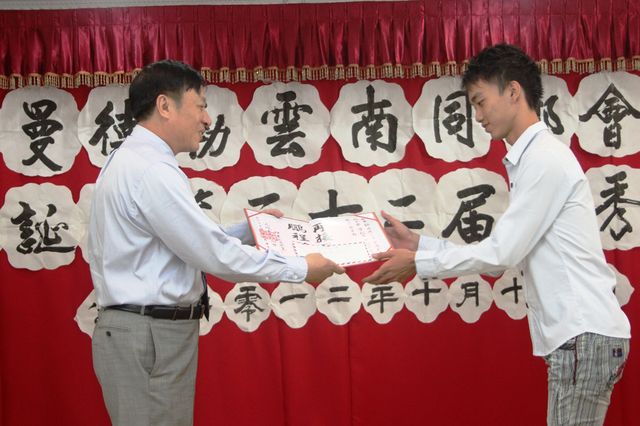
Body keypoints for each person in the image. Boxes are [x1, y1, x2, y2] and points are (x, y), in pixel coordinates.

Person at [363, 44, 631, 425]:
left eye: (480, 101)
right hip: (581, 337)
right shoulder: (535, 158)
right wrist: (420, 245)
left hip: (582, 336)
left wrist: (419, 262)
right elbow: (501, 254)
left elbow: (501, 253)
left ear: (513, 92)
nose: (478, 116)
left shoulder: (543, 159)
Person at [87, 59, 344, 426]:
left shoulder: (133, 160)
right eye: (201, 106)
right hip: (149, 336)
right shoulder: (151, 169)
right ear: (165, 106)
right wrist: (301, 268)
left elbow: (186, 242)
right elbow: (213, 254)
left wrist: (247, 231)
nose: (207, 120)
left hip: (146, 334)